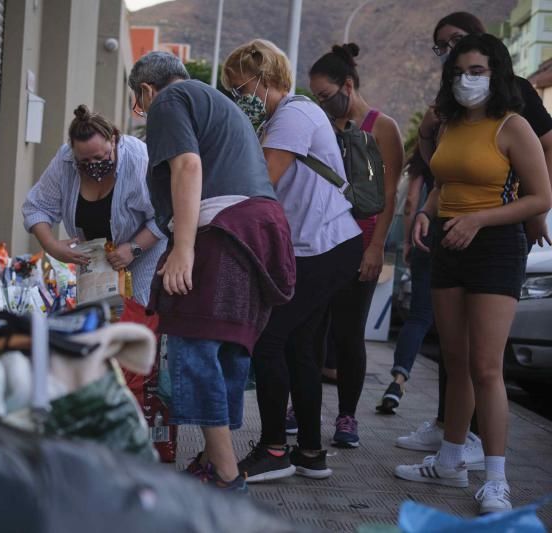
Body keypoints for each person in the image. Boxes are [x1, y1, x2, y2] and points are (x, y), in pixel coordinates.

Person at [394, 33, 552, 514]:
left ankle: (497, 480)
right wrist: (426, 211)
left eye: (477, 71)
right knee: (455, 362)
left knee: (487, 367)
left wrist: (479, 219)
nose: (466, 79)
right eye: (459, 70)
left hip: (496, 247)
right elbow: (446, 182)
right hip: (448, 243)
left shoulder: (513, 126)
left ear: (496, 74)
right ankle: (449, 460)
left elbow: (541, 197)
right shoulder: (449, 125)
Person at [129, 51, 295, 493]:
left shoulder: (169, 99)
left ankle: (225, 476)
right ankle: (210, 461)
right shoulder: (214, 102)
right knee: (226, 351)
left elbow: (187, 166)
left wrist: (182, 249)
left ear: (146, 90)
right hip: (260, 229)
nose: (142, 111)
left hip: (225, 231)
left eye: (138, 101)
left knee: (192, 345)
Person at [221, 39, 363, 481]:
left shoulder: (294, 115)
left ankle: (274, 449)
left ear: (262, 79)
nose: (238, 96)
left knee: (268, 341)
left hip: (325, 247)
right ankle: (310, 453)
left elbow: (261, 182)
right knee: (302, 346)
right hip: (318, 248)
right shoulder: (287, 116)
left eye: (239, 87)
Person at [308, 44, 404, 447]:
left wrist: (376, 246)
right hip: (317, 242)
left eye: (327, 96)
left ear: (348, 84)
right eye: (317, 98)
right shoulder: (320, 125)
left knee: (348, 334)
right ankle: (304, 405)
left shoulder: (383, 128)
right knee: (310, 330)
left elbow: (388, 194)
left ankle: (347, 417)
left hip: (360, 242)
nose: (323, 103)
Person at [22, 105, 166, 306]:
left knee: (138, 314)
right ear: (73, 153)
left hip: (144, 254)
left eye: (100, 157)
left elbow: (165, 214)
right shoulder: (65, 162)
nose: (94, 165)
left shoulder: (139, 160)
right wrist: (51, 246)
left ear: (114, 139)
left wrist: (134, 248)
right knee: (98, 318)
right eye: (85, 161)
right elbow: (37, 207)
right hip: (96, 261)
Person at [376, 149, 434, 414]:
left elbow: (411, 201)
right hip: (460, 239)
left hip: (427, 238)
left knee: (418, 317)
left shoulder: (426, 156)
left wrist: (409, 240)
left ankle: (398, 380)